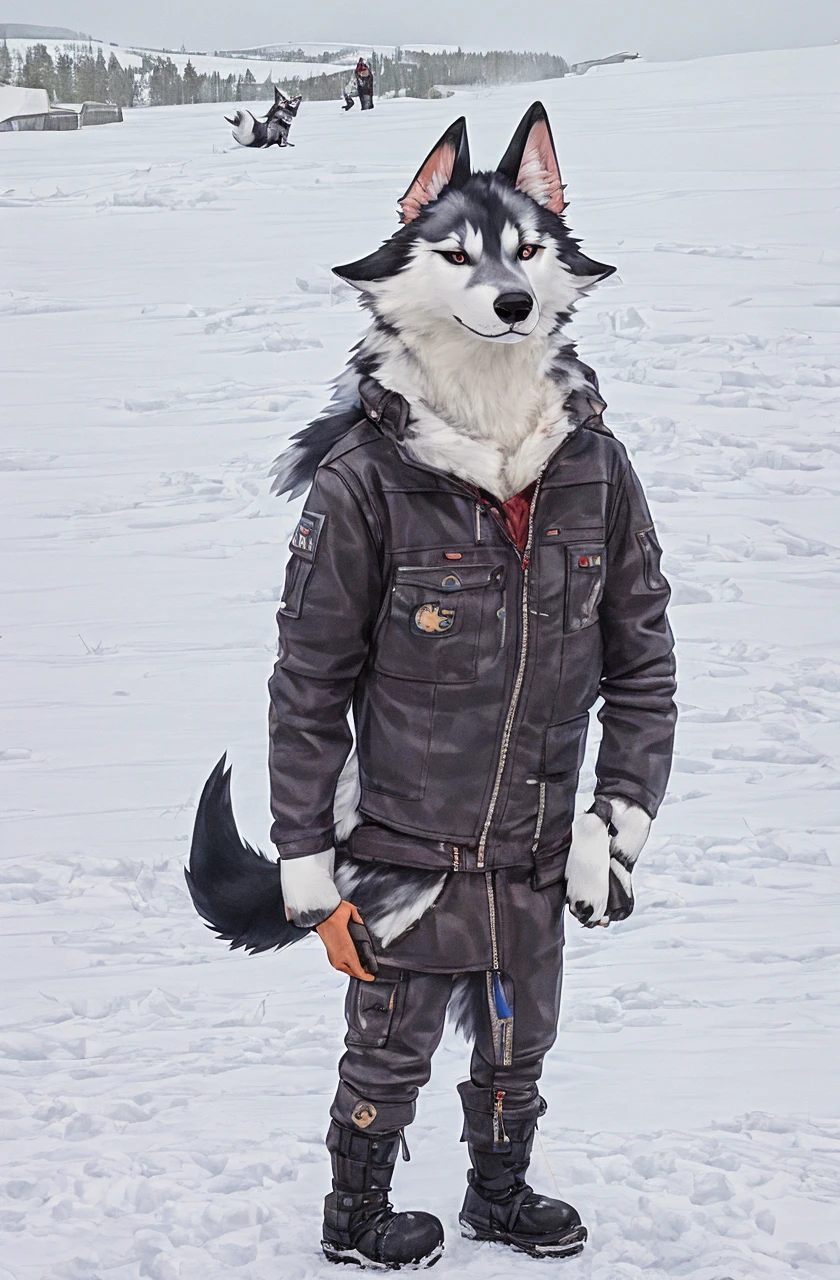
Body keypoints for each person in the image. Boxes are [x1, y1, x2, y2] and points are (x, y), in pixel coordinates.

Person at [267, 105, 676, 1268]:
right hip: (404, 848)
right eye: (458, 252)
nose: (497, 282)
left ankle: (501, 1188)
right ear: (408, 261)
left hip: (543, 846)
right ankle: (354, 1213)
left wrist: (620, 817)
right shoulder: (362, 483)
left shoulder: (595, 465)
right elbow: (308, 683)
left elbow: (643, 656)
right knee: (387, 1045)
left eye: (520, 254)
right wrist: (309, 867)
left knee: (519, 1038)